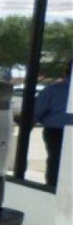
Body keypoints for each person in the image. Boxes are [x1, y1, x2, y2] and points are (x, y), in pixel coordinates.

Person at [33, 62, 72, 190]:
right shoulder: (53, 89)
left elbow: (36, 111)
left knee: (55, 162)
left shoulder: (53, 89)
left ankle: (52, 189)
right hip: (57, 131)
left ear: (66, 71)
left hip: (56, 132)